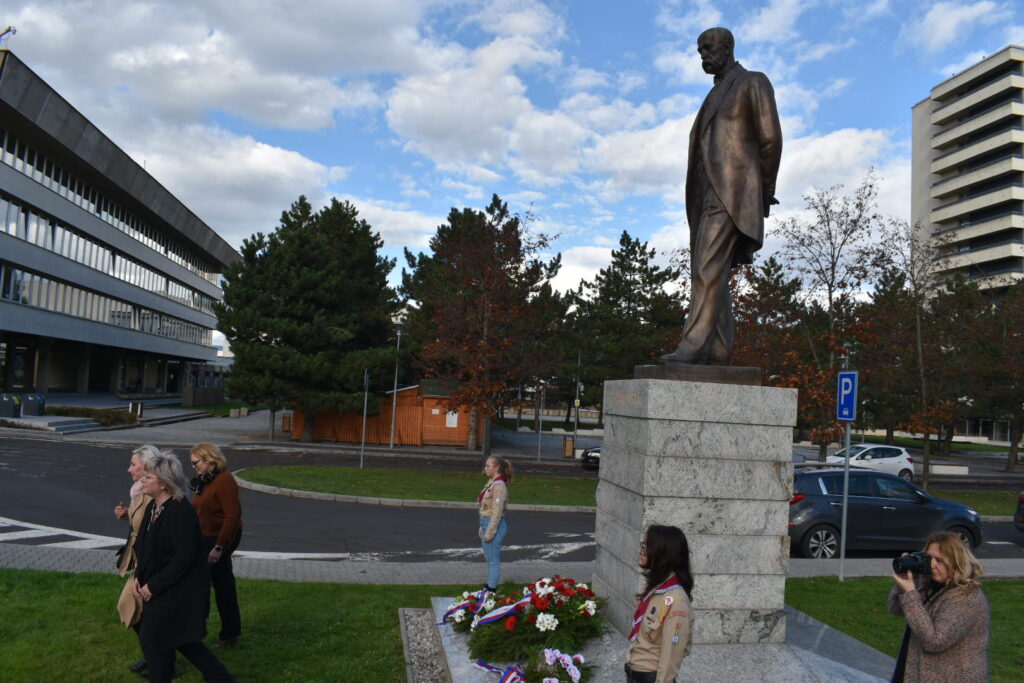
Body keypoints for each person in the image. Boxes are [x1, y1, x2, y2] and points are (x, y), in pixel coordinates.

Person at [662, 26, 782, 365]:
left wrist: (764, 190)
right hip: (706, 195)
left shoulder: (753, 82)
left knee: (705, 267)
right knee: (712, 270)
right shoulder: (714, 93)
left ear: (727, 47)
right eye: (700, 50)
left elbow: (770, 138)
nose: (703, 55)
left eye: (708, 48)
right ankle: (717, 350)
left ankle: (693, 346)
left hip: (733, 193)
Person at [132, 453, 235, 683]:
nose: (142, 481)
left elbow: (184, 559)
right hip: (161, 585)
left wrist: (154, 586)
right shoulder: (154, 507)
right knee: (180, 639)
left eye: (148, 477)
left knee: (153, 636)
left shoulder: (179, 511)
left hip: (180, 589)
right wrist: (138, 576)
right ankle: (220, 677)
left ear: (164, 483)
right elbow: (143, 546)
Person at [888, 531, 990, 682]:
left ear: (956, 562)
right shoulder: (929, 585)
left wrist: (910, 594)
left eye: (939, 560)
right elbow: (895, 608)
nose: (932, 565)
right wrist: (906, 582)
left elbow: (935, 642)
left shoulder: (967, 598)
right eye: (929, 558)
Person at [189, 443, 243, 649]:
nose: (193, 466)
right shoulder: (205, 480)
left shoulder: (224, 480)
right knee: (220, 584)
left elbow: (232, 515)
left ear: (209, 460)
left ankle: (202, 633)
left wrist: (219, 547)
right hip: (206, 538)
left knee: (211, 584)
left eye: (195, 462)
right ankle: (228, 634)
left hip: (219, 538)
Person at [626, 525, 695, 683]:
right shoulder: (657, 587)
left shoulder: (676, 601)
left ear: (662, 554)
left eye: (646, 547)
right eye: (642, 545)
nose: (641, 551)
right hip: (634, 671)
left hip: (649, 677)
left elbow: (672, 655)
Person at [113, 444, 160, 675]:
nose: (129, 469)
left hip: (150, 563)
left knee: (130, 605)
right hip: (140, 560)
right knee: (139, 611)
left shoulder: (153, 495)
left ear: (148, 467)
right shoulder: (138, 491)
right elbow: (139, 522)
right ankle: (156, 657)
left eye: (133, 465)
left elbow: (153, 531)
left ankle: (159, 658)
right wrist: (126, 516)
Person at [477, 456, 512, 592]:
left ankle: (491, 589)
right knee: (490, 558)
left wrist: (489, 532)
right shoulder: (492, 482)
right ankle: (490, 585)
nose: (485, 468)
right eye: (485, 465)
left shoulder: (499, 486)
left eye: (488, 466)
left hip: (494, 525)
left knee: (493, 560)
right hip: (487, 523)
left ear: (496, 468)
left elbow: (497, 512)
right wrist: (482, 526)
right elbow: (487, 508)